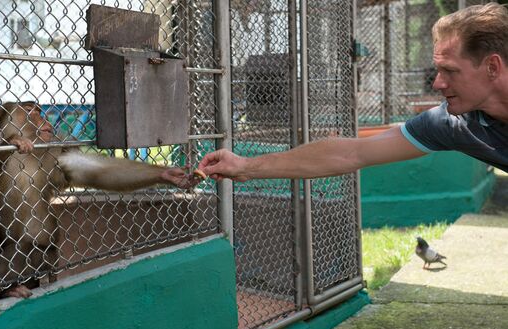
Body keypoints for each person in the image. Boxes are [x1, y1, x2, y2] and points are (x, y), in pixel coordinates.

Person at [198, 3, 508, 182]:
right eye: (438, 70)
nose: (437, 84)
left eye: (451, 71)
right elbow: (350, 151)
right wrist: (246, 166)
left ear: (492, 67)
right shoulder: (454, 122)